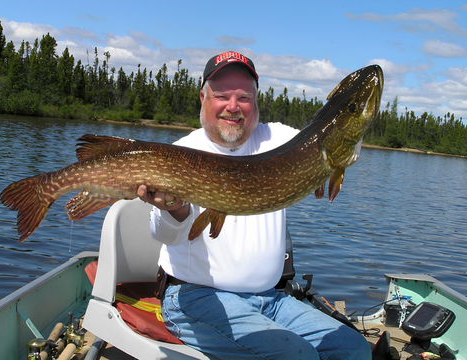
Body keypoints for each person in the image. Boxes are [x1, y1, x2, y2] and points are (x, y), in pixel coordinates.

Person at [137, 51, 372, 360]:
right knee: (297, 356)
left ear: (256, 101)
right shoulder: (181, 153)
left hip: (271, 299)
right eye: (222, 95)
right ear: (203, 98)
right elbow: (165, 235)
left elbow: (333, 137)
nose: (233, 107)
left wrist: (330, 161)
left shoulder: (278, 139)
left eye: (244, 97)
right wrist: (175, 209)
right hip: (195, 297)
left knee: (353, 348)